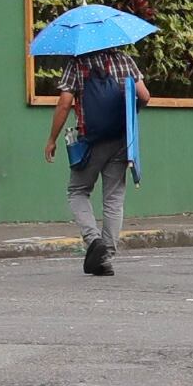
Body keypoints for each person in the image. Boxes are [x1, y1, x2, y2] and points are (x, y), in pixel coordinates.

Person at [45, 47, 145, 275]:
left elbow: (64, 102)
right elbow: (144, 95)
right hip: (121, 141)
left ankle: (93, 241)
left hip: (90, 142)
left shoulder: (76, 64)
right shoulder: (124, 60)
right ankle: (106, 256)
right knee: (114, 199)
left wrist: (52, 138)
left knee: (78, 191)